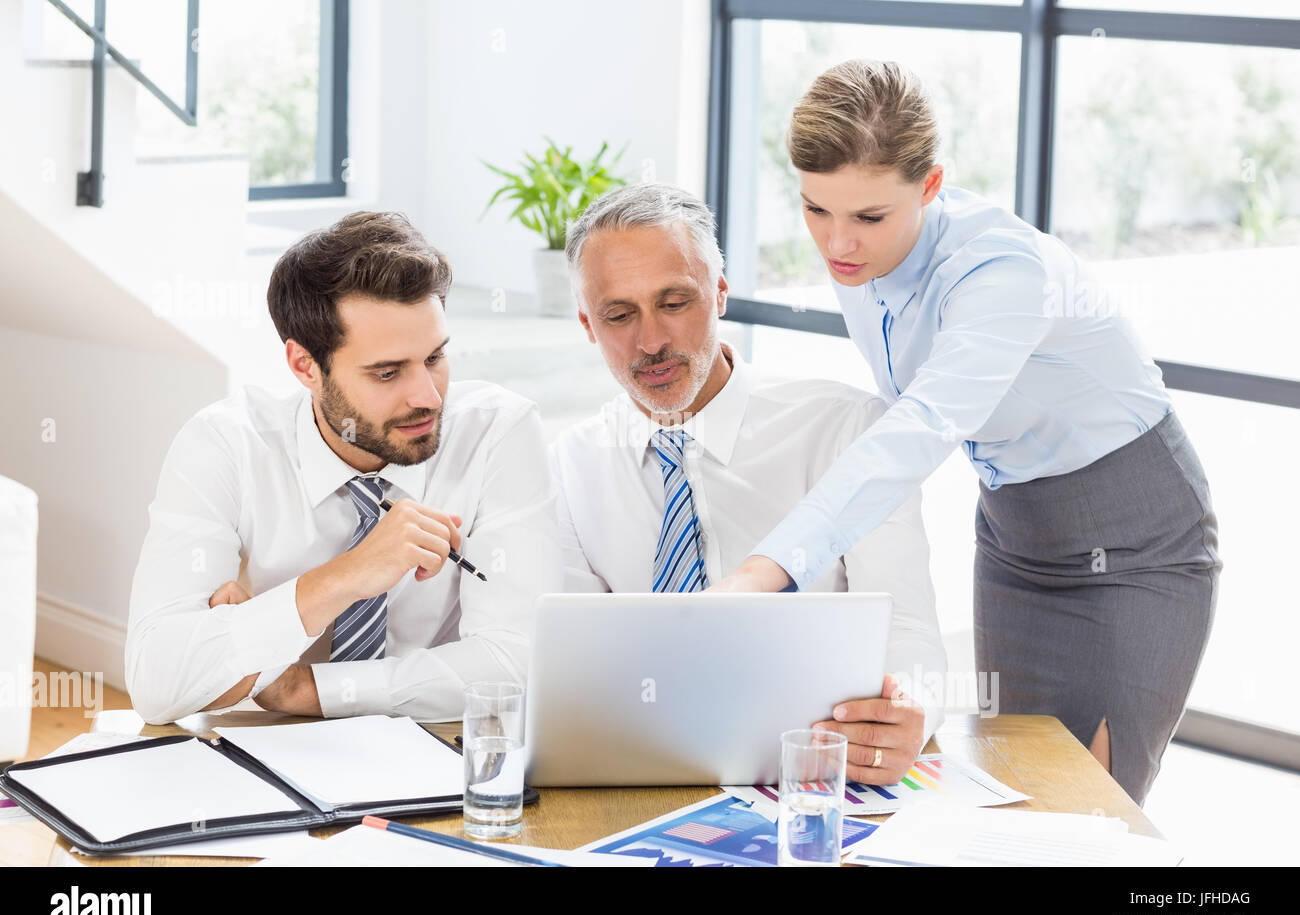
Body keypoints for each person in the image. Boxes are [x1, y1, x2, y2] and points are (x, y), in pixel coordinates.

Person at [712, 59, 1221, 805]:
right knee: (1012, 801)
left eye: (868, 218)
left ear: (930, 185)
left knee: (1084, 812)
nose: (837, 243)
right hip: (1016, 538)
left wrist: (766, 571)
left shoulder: (1001, 271)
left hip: (1135, 545)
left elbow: (917, 429)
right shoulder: (858, 250)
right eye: (815, 210)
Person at [550, 181, 948, 784]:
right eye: (619, 314)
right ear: (587, 323)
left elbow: (911, 628)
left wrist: (912, 708)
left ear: (721, 294)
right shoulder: (572, 466)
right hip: (640, 774)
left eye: (675, 302)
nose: (650, 341)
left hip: (813, 772)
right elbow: (575, 669)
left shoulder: (845, 429)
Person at [125, 211, 561, 725]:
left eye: (436, 357)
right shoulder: (225, 444)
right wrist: (342, 579)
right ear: (305, 365)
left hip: (437, 753)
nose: (427, 396)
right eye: (387, 372)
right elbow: (157, 684)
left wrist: (308, 688)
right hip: (263, 752)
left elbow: (517, 668)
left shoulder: (497, 434)